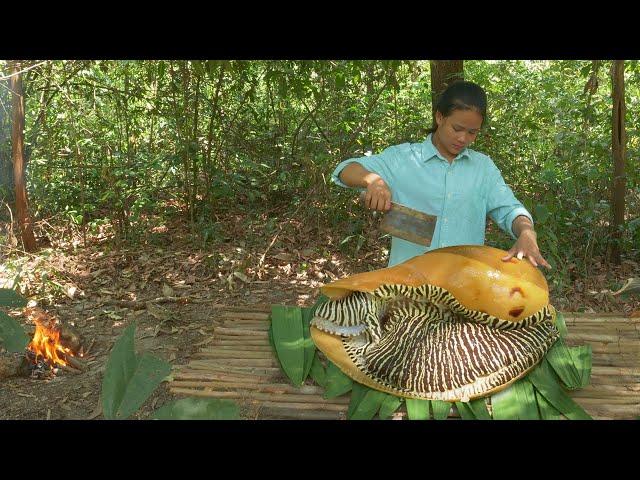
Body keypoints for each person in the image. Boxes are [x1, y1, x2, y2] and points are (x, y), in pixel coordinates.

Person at [331, 80, 551, 269]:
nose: (463, 139)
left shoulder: (483, 169)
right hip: (407, 288)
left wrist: (526, 232)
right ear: (439, 117)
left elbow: (510, 209)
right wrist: (374, 181)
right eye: (457, 128)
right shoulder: (403, 158)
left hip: (464, 289)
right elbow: (345, 169)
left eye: (472, 132)